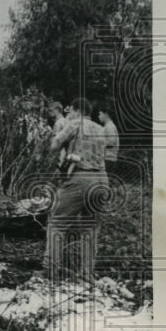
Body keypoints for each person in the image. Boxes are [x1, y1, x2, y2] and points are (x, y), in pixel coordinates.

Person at [47, 97, 108, 278]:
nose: (69, 114)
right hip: (102, 179)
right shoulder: (100, 128)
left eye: (71, 111)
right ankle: (87, 274)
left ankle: (50, 272)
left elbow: (54, 145)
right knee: (90, 228)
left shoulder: (75, 124)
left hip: (81, 177)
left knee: (56, 223)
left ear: (77, 111)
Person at [98, 106, 119, 174]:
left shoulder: (109, 127)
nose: (99, 116)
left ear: (106, 115)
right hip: (107, 158)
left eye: (100, 114)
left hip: (108, 159)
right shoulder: (107, 126)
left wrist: (98, 143)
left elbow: (111, 142)